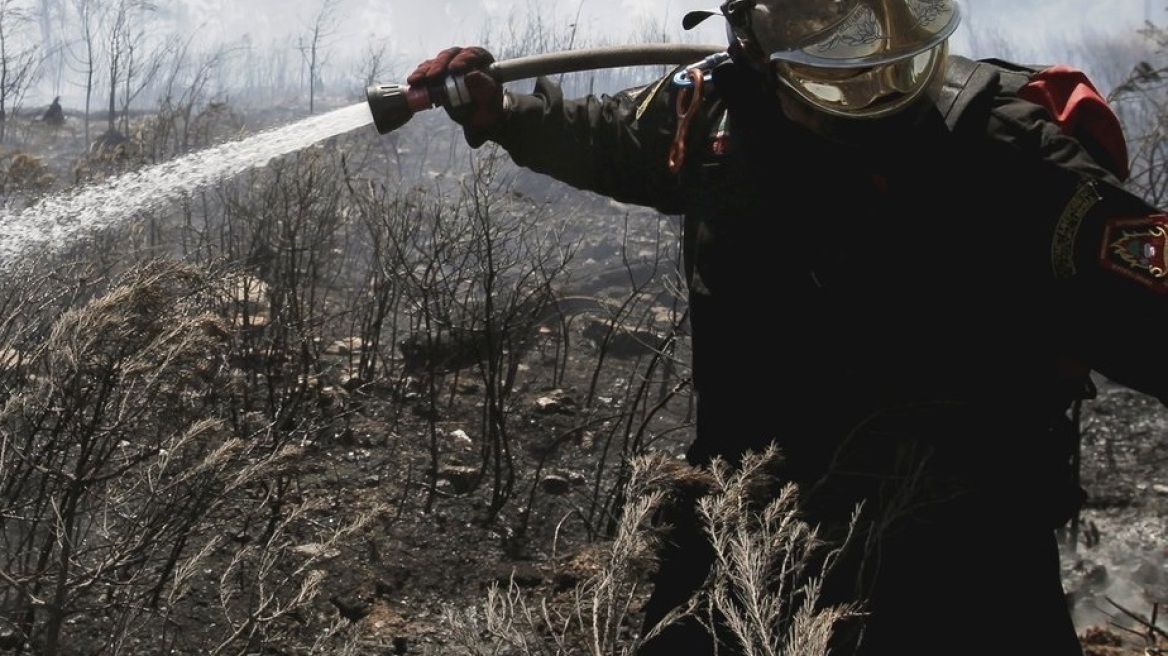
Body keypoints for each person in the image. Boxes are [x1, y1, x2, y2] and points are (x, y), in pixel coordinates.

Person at [407, 1, 1168, 654]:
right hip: (745, 513)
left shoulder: (1005, 146)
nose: (859, 47)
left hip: (956, 540)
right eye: (816, 15)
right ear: (756, 32)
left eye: (867, 13)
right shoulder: (714, 114)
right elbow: (609, 139)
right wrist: (504, 110)